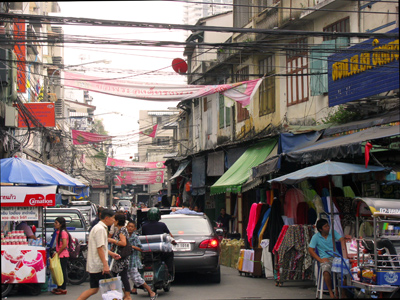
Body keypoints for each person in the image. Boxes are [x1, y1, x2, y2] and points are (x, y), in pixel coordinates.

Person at [77, 209, 121, 300]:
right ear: (106, 218)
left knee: (94, 289)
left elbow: (101, 247)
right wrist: (105, 265)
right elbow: (100, 248)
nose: (113, 221)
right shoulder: (100, 229)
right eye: (112, 218)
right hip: (99, 265)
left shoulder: (99, 228)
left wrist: (111, 254)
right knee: (112, 287)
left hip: (96, 264)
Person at [308, 219, 348, 299]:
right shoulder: (316, 237)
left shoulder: (332, 233)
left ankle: (343, 293)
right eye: (325, 226)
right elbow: (310, 250)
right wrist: (320, 259)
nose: (328, 227)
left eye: (328, 225)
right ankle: (331, 292)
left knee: (345, 271)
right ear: (320, 229)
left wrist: (344, 255)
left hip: (336, 257)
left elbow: (341, 239)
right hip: (325, 258)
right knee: (326, 271)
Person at [141, 207, 176, 280]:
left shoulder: (144, 226)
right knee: (169, 254)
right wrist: (173, 241)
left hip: (148, 251)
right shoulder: (162, 225)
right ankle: (169, 273)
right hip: (160, 250)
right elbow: (170, 236)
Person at [126, 221, 157, 300]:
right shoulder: (124, 236)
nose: (130, 228)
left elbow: (141, 248)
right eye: (129, 226)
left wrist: (132, 247)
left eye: (132, 227)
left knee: (137, 278)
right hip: (125, 261)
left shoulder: (135, 237)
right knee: (123, 278)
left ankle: (151, 292)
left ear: (134, 228)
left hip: (133, 261)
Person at [108, 213, 132, 300]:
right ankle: (119, 293)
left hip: (121, 257)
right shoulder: (119, 230)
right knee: (115, 274)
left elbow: (123, 243)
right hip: (117, 257)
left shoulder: (121, 231)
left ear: (118, 221)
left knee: (123, 275)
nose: (113, 221)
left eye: (115, 219)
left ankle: (127, 295)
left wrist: (113, 240)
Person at [51, 217, 70, 295]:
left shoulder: (63, 232)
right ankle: (59, 287)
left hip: (63, 255)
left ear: (61, 224)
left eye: (56, 223)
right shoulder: (58, 232)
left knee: (62, 271)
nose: (54, 224)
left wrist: (58, 253)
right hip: (60, 254)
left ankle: (63, 288)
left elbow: (64, 244)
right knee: (58, 271)